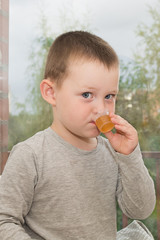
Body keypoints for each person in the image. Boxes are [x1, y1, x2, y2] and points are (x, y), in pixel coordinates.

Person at [0, 31, 156, 240]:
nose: (101, 108)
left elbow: (141, 210)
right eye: (86, 95)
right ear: (51, 93)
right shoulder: (31, 155)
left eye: (109, 96)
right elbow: (4, 220)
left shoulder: (112, 152)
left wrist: (130, 156)